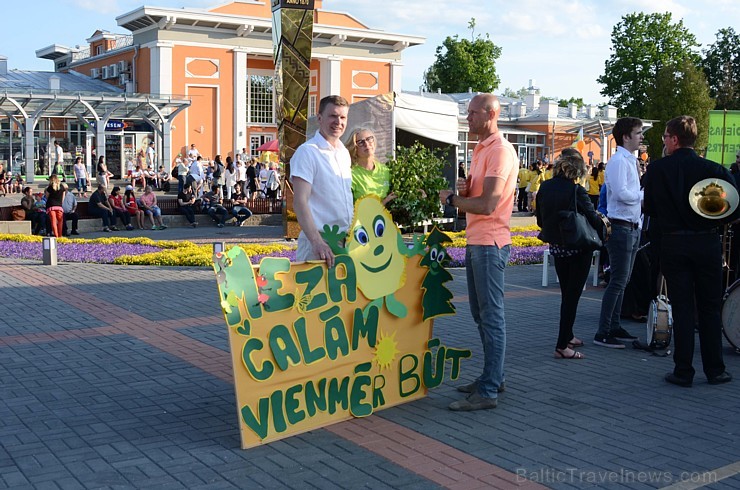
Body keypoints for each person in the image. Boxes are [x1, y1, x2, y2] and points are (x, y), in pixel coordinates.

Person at [643, 115, 738, 387]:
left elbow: (649, 209)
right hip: (707, 243)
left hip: (674, 243)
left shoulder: (658, 169)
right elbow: (732, 208)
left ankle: (683, 371)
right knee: (709, 308)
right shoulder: (715, 169)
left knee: (682, 308)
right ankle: (715, 370)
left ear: (674, 138)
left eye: (665, 138)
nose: (664, 143)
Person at [439, 93, 518, 411]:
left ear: (491, 114)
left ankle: (488, 391)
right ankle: (492, 378)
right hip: (479, 242)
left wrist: (452, 201)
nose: (467, 118)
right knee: (481, 316)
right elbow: (478, 195)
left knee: (491, 317)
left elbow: (487, 204)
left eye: (472, 113)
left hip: (489, 243)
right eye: (467, 113)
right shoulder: (482, 149)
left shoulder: (499, 150)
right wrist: (462, 189)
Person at [536, 149, 606, 360]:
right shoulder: (576, 190)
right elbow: (593, 217)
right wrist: (604, 229)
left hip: (557, 246)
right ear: (577, 170)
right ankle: (562, 346)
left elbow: (539, 218)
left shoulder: (545, 187)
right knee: (572, 297)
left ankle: (569, 335)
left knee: (567, 294)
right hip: (577, 247)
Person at [593, 117, 643, 348]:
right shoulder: (618, 162)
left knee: (624, 280)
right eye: (638, 132)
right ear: (626, 136)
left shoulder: (629, 160)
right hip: (620, 225)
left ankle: (614, 325)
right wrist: (643, 196)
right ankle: (603, 331)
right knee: (618, 281)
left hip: (631, 225)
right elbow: (622, 193)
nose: (641, 137)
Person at [290, 95, 354, 267]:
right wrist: (317, 242)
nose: (338, 122)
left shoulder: (343, 153)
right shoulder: (307, 152)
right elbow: (300, 202)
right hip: (318, 244)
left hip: (344, 242)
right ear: (319, 118)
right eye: (333, 116)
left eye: (343, 117)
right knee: (312, 294)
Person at [346, 128, 393, 204]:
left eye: (369, 139)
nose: (366, 144)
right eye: (361, 142)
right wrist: (384, 203)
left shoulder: (386, 170)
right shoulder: (351, 175)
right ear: (354, 148)